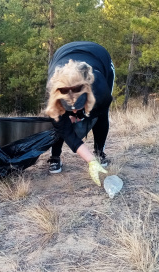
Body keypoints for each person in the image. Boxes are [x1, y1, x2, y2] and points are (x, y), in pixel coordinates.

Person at [44, 41, 115, 186]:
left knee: (100, 116)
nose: (74, 111)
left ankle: (99, 152)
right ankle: (55, 157)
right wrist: (90, 161)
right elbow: (65, 130)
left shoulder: (100, 91)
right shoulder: (53, 92)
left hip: (99, 55)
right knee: (59, 121)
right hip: (62, 53)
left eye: (78, 106)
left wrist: (81, 115)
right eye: (70, 108)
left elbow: (99, 114)